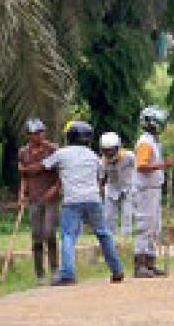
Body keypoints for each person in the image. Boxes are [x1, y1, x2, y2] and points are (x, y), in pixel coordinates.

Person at [22, 121, 125, 286]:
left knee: (68, 236)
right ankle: (117, 270)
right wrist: (95, 189)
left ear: (69, 137)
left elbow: (41, 167)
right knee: (103, 233)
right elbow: (102, 177)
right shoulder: (93, 156)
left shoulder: (62, 154)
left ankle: (68, 274)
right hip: (93, 199)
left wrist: (24, 170)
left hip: (72, 201)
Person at [17, 118, 60, 285]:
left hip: (50, 197)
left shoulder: (53, 150)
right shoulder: (23, 152)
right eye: (34, 134)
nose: (37, 136)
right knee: (36, 236)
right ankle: (39, 274)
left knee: (50, 232)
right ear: (28, 136)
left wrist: (55, 189)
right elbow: (24, 177)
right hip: (34, 197)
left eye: (40, 133)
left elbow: (60, 174)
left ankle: (55, 270)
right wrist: (22, 194)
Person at [134, 106, 174, 278]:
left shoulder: (153, 141)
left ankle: (150, 263)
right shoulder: (145, 143)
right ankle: (140, 265)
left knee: (155, 227)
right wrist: (163, 165)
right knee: (145, 226)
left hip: (154, 188)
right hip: (145, 190)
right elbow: (142, 166)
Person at [99, 132, 136, 238]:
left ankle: (126, 238)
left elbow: (138, 170)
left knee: (127, 215)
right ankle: (111, 239)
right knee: (109, 217)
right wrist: (100, 192)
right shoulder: (102, 161)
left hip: (128, 188)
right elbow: (102, 179)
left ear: (117, 147)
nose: (109, 152)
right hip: (111, 189)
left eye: (111, 149)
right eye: (106, 150)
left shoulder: (129, 156)